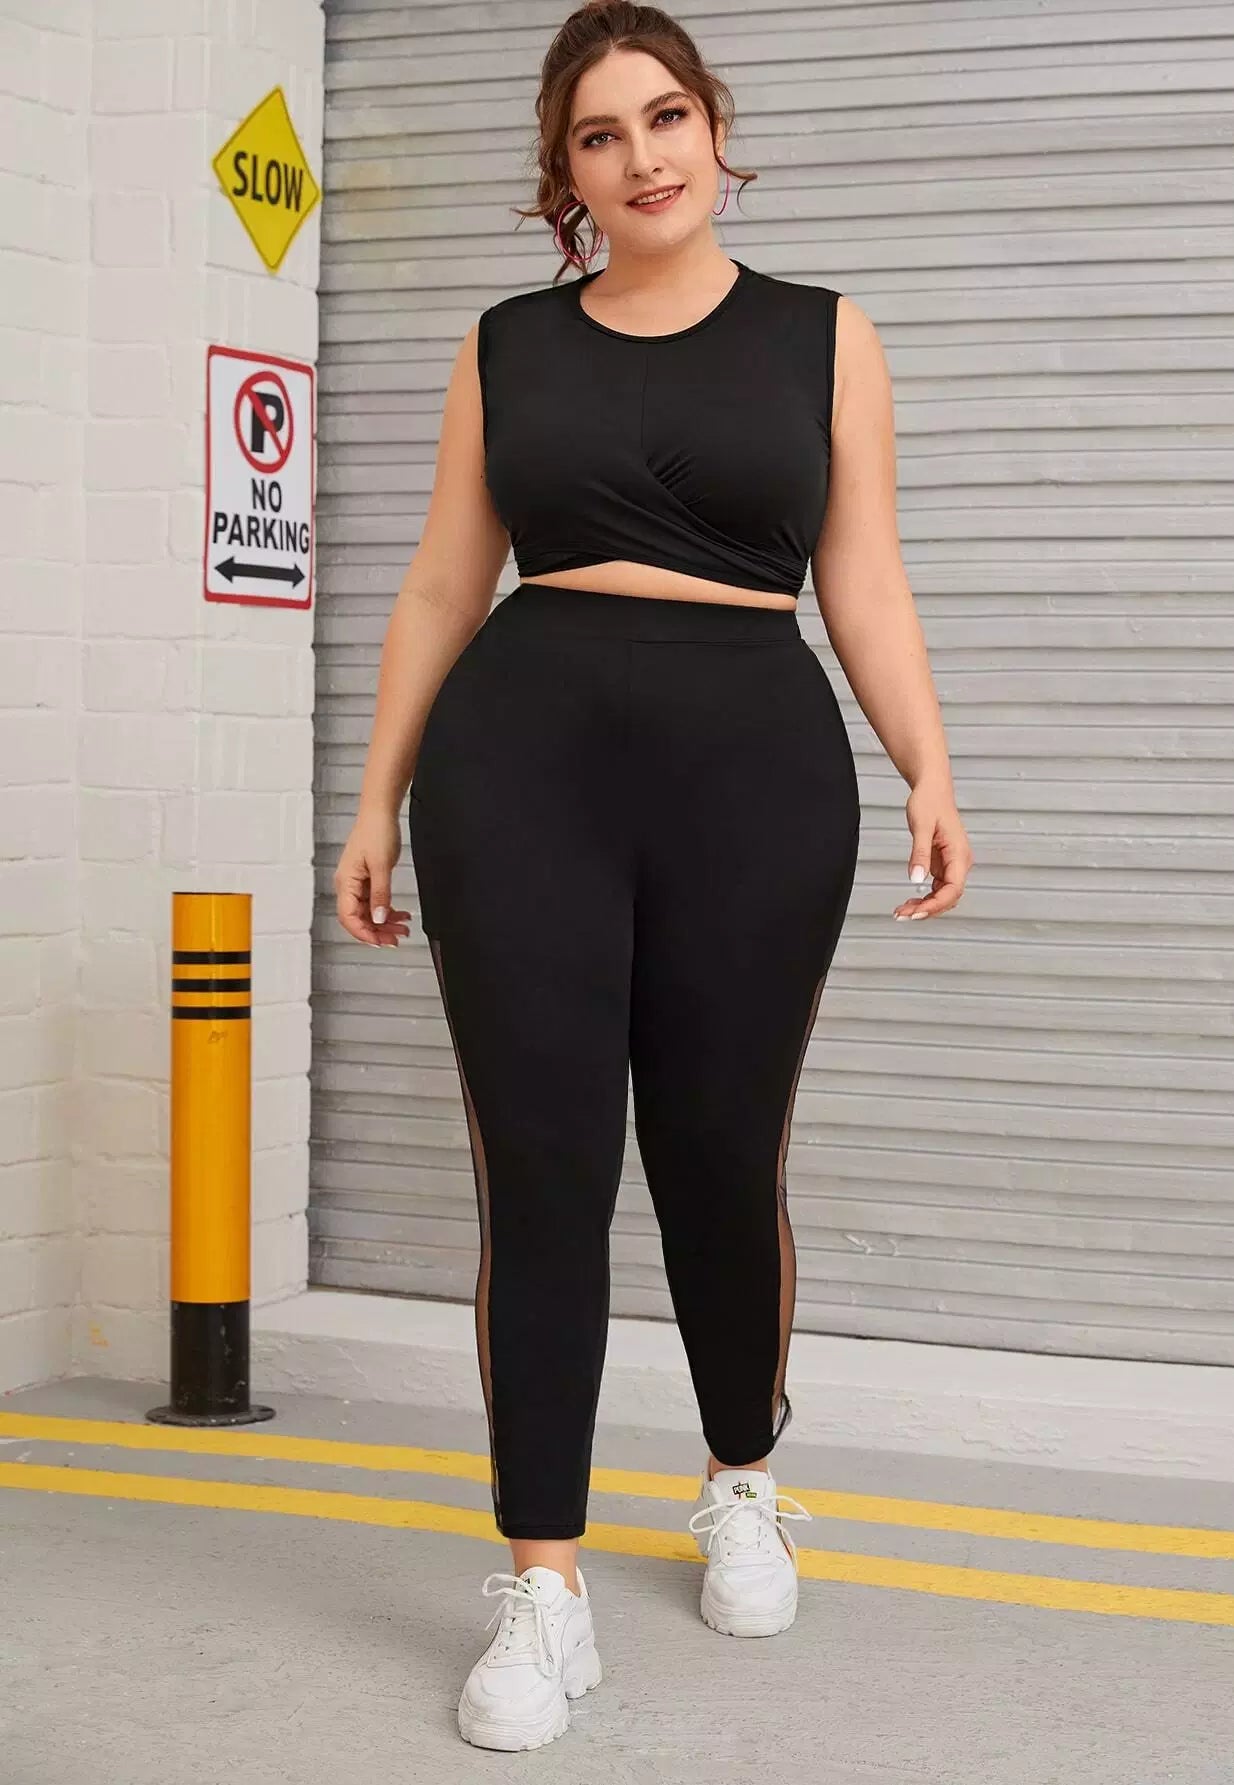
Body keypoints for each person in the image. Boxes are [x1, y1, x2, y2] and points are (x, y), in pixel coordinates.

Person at [333, 0, 973, 1754]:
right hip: (518, 765)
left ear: (714, 126)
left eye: (666, 114)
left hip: (754, 772)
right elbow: (442, 582)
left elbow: (866, 575)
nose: (643, 155)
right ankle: (543, 1584)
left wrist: (927, 759)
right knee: (543, 1168)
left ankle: (741, 1476)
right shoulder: (506, 347)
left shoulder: (825, 336)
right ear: (567, 174)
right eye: (601, 134)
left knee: (716, 1154)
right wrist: (373, 799)